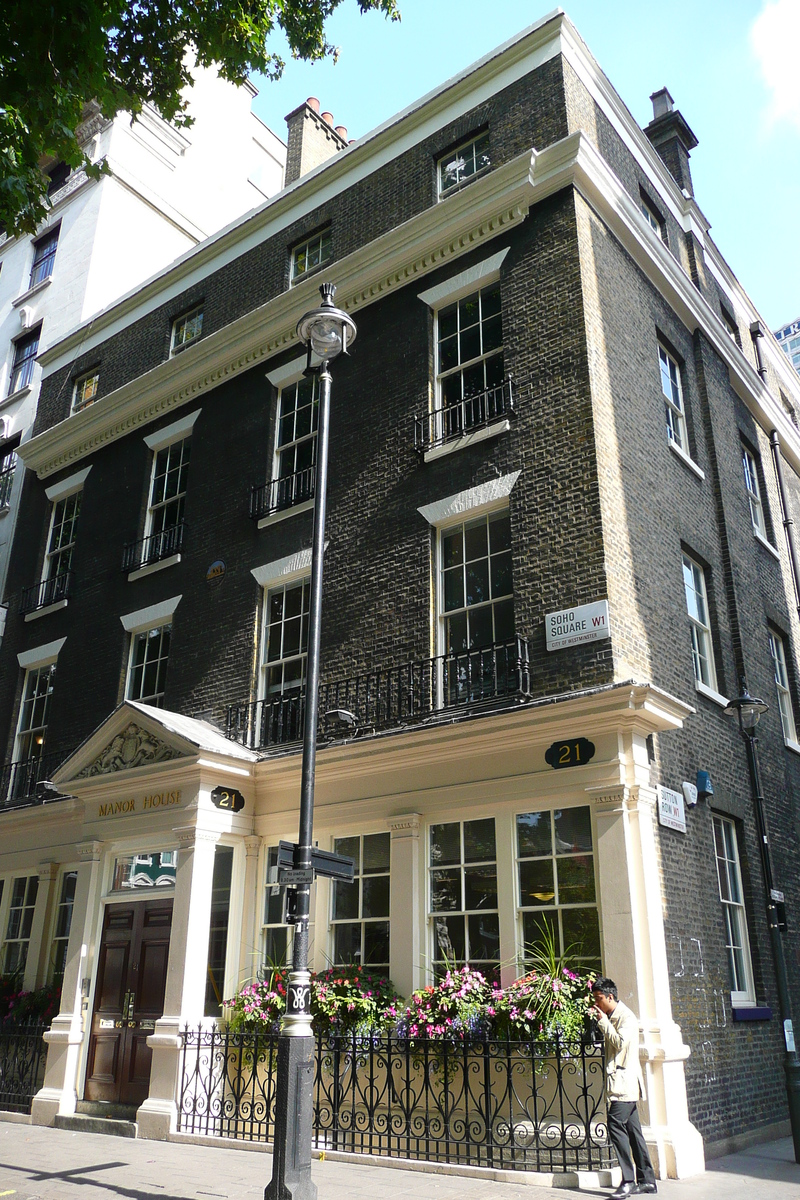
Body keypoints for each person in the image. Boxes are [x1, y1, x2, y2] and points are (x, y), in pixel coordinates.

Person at [589, 977, 657, 1198]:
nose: (597, 1003)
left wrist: (603, 1023)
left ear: (610, 997)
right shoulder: (613, 1016)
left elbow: (619, 1043)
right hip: (622, 1084)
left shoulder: (626, 1018)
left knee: (616, 1125)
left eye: (599, 999)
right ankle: (647, 1180)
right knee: (634, 1132)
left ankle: (628, 1180)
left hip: (624, 1085)